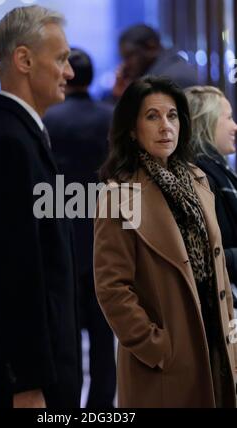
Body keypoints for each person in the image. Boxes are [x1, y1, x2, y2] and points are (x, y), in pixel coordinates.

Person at [0, 5, 81, 408]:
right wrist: (27, 383)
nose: (70, 72)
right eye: (60, 59)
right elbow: (12, 274)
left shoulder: (14, 134)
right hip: (17, 389)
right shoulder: (6, 142)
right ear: (24, 60)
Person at [93, 76, 237, 408]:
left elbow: (214, 266)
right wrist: (155, 345)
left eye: (172, 116)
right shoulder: (119, 195)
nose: (165, 127)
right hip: (167, 359)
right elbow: (112, 287)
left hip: (214, 340)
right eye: (152, 117)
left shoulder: (198, 180)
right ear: (132, 128)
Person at [44, 48, 116, 407]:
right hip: (106, 234)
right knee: (105, 336)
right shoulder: (112, 118)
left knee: (66, 335)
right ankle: (101, 407)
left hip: (62, 235)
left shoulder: (47, 120)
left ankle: (66, 406)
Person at [185, 86, 237, 311]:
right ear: (207, 122)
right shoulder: (202, 177)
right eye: (228, 117)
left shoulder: (217, 172)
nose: (234, 126)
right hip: (216, 306)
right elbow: (204, 255)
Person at [112, 24, 198, 100]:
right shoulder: (161, 74)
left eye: (129, 56)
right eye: (123, 58)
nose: (125, 65)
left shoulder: (172, 79)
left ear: (151, 48)